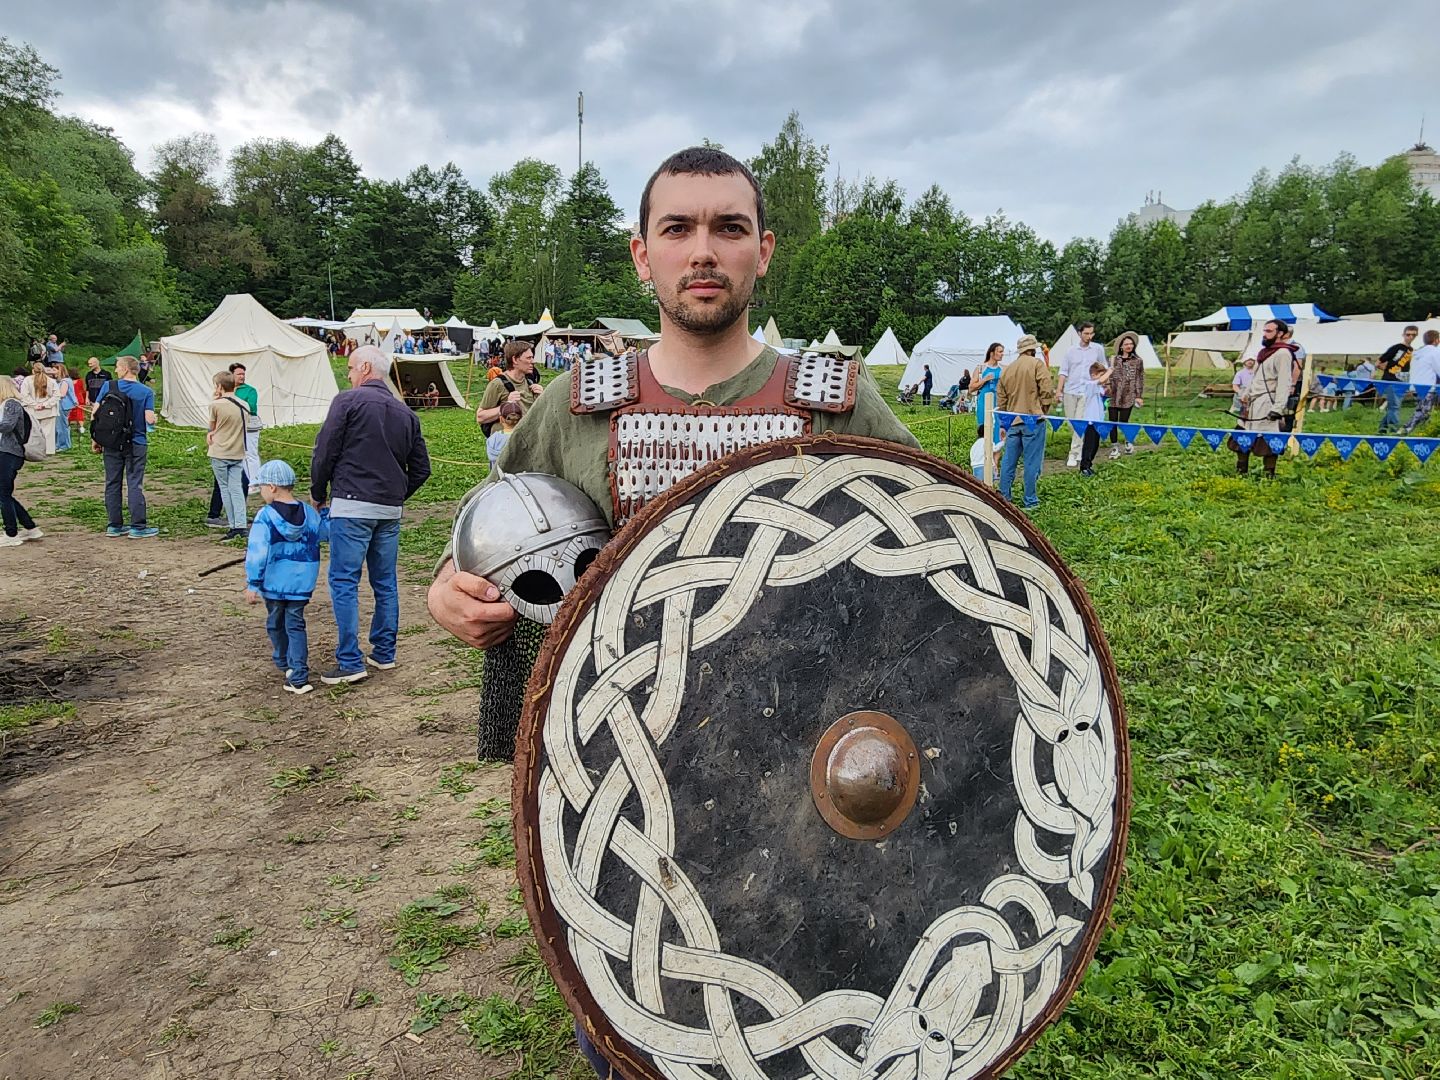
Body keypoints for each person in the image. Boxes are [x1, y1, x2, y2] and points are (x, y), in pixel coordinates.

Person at [426, 144, 920, 771]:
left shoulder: (834, 403)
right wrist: (449, 589)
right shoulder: (577, 406)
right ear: (643, 255)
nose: (703, 251)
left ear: (763, 251)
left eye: (729, 228)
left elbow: (934, 546)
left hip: (812, 754)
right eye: (678, 228)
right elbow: (490, 525)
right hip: (622, 750)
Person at [311, 345, 432, 685]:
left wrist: (318, 493)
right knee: (385, 581)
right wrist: (396, 493)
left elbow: (325, 450)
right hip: (388, 510)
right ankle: (384, 652)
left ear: (365, 368)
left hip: (351, 504)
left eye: (350, 368)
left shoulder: (347, 402)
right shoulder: (405, 413)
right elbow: (422, 469)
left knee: (345, 581)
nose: (348, 374)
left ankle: (350, 661)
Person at [245, 460, 323, 696]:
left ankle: (288, 665)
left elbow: (257, 551)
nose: (261, 493)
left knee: (275, 622)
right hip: (302, 583)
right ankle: (296, 670)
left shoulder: (265, 516)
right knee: (295, 625)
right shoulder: (309, 513)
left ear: (272, 487)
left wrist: (252, 583)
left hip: (274, 584)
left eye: (261, 488)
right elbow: (323, 533)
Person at [93, 356, 158, 538]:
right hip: (136, 442)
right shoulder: (146, 392)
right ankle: (138, 526)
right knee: (134, 483)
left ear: (125, 368)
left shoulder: (109, 386)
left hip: (112, 442)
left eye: (117, 367)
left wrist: (96, 439)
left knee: (112, 482)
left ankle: (114, 525)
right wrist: (154, 419)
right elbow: (149, 419)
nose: (115, 370)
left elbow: (96, 413)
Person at [996, 335, 1056, 510]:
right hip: (1033, 420)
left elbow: (1001, 399)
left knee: (1008, 461)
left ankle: (1004, 497)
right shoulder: (1037, 364)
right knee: (1031, 462)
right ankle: (1030, 500)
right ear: (1032, 349)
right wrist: (1043, 408)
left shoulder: (1007, 369)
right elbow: (1046, 388)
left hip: (1013, 421)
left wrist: (1004, 422)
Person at [1232, 319, 1294, 480]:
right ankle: (1241, 472)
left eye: (1269, 331)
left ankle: (1269, 476)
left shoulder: (1283, 353)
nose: (1265, 334)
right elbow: (1256, 378)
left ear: (1280, 333)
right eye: (1264, 331)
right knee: (1243, 434)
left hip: (1268, 401)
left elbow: (1284, 382)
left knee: (1269, 438)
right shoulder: (1264, 352)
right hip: (1253, 400)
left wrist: (1278, 408)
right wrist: (1246, 394)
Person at [207, 371, 250, 541]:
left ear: (219, 386)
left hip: (220, 451)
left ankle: (233, 525)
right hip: (237, 451)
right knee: (236, 489)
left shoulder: (216, 405)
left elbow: (212, 427)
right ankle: (240, 524)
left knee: (224, 488)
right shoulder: (244, 404)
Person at [0, 379, 42, 547]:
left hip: (10, 453)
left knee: (3, 493)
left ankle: (11, 533)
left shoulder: (11, 404)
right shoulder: (6, 405)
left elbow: (7, 426)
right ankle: (30, 527)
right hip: (6, 452)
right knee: (4, 493)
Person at [1057, 322, 1105, 467]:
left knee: (1080, 421)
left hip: (1087, 392)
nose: (1089, 336)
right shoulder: (1070, 351)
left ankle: (1074, 453)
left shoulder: (1098, 349)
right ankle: (1080, 445)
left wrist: (1101, 383)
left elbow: (1104, 368)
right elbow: (1063, 371)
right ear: (1079, 333)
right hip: (1070, 390)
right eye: (1086, 333)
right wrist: (1059, 390)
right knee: (1072, 423)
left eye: (1091, 333)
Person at [476, 341, 542, 435]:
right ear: (515, 359)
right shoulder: (498, 384)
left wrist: (542, 397)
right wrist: (506, 405)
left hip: (527, 440)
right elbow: (480, 417)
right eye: (529, 358)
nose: (533, 361)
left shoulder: (530, 382)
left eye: (532, 357)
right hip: (506, 444)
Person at [1106, 332, 1144, 459]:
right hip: (1113, 394)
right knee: (1112, 421)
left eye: (1131, 344)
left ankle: (1128, 441)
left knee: (1124, 421)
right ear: (1121, 346)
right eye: (1126, 344)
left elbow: (1139, 378)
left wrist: (1138, 395)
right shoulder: (1113, 359)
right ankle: (1114, 447)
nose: (1129, 346)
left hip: (1129, 394)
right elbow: (1107, 375)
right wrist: (1106, 387)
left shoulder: (1138, 361)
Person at [1376, 325, 1418, 433]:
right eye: (1408, 334)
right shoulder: (1396, 347)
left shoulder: (1411, 349)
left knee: (1395, 405)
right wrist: (1389, 371)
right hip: (1390, 380)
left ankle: (1382, 429)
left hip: (1402, 381)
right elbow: (1378, 362)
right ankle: (1395, 429)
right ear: (1404, 335)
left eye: (1413, 335)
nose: (1411, 337)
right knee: (1394, 406)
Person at [1401, 329, 1440, 434]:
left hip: (1415, 385)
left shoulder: (1417, 352)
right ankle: (1406, 429)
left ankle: (1423, 431)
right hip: (1428, 386)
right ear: (1436, 340)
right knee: (1423, 411)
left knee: (1422, 409)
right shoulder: (1435, 352)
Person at [1077, 360, 1112, 477]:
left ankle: (1089, 464)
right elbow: (1100, 381)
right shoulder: (1090, 385)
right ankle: (1084, 467)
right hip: (1090, 421)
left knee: (1095, 445)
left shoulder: (1100, 388)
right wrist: (1111, 370)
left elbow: (1106, 388)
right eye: (1101, 375)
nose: (1104, 379)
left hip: (1098, 421)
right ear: (1093, 375)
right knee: (1089, 444)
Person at [20, 362, 64, 455]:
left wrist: (35, 404)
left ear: (33, 370)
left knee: (33, 432)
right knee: (48, 432)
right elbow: (57, 396)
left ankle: (33, 451)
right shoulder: (51, 381)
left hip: (32, 410)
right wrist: (45, 404)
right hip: (49, 410)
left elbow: (24, 395)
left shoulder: (27, 380)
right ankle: (48, 450)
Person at [230, 363, 262, 485]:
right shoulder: (229, 389)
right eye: (239, 374)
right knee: (240, 453)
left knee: (250, 453)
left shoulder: (250, 390)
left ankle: (254, 481)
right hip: (234, 425)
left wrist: (233, 402)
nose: (242, 376)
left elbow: (252, 408)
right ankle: (245, 479)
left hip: (249, 425)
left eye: (243, 374)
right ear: (232, 375)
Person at [971, 343, 1004, 439]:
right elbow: (971, 388)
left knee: (997, 431)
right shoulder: (981, 368)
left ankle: (996, 452)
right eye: (1000, 351)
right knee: (984, 430)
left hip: (998, 404)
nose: (1002, 354)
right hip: (983, 403)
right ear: (992, 353)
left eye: (1003, 352)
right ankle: (983, 452)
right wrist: (984, 380)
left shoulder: (1003, 369)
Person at [486, 401, 522, 467]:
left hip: (498, 475)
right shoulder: (522, 438)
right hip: (516, 477)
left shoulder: (493, 439)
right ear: (520, 420)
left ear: (501, 419)